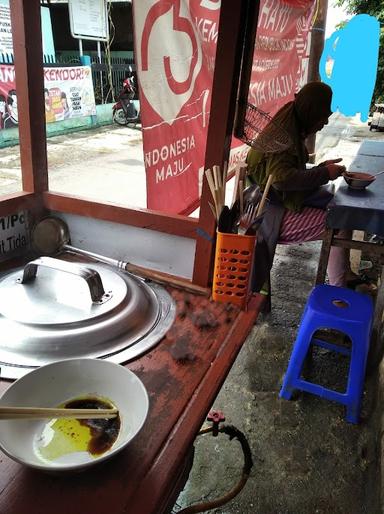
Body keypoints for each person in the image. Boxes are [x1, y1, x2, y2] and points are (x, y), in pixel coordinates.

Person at [246, 81, 357, 291]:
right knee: (340, 220)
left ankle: (343, 276)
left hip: (266, 201)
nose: (324, 122)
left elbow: (284, 172)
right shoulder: (286, 135)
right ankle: (339, 290)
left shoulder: (290, 119)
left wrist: (323, 168)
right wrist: (324, 173)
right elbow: (281, 179)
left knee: (340, 208)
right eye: (322, 115)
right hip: (265, 213)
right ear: (310, 111)